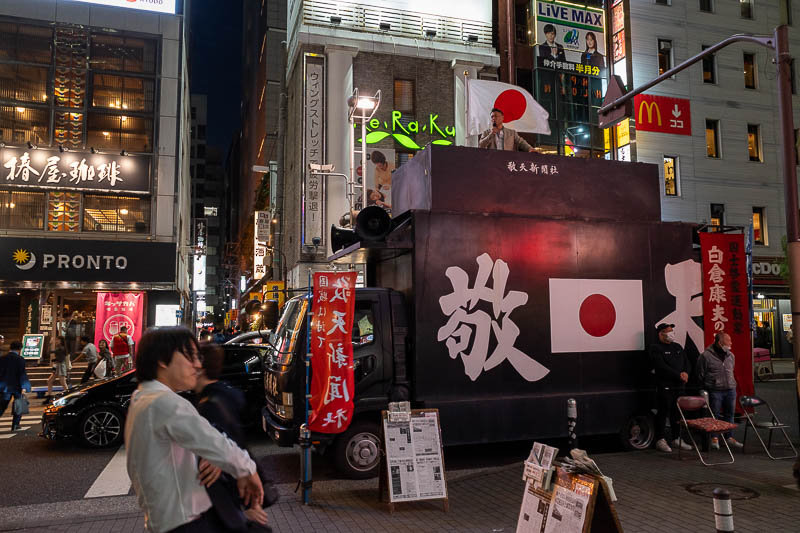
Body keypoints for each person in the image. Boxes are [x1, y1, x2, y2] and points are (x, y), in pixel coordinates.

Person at [124, 327, 264, 533]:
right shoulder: (165, 402)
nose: (198, 365)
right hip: (185, 524)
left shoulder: (142, 398)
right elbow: (215, 443)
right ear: (163, 360)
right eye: (190, 356)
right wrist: (248, 469)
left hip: (165, 521)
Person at [194, 343, 272, 532]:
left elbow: (224, 450)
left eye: (194, 360)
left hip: (232, 486)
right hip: (239, 480)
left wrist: (241, 510)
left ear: (201, 366)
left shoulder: (209, 405)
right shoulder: (224, 394)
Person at [648, 323, 692, 453]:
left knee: (677, 413)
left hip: (679, 386)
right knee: (663, 412)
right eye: (669, 331)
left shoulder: (677, 347)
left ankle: (677, 438)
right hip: (665, 386)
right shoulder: (655, 348)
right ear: (661, 334)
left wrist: (686, 373)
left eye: (672, 331)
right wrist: (678, 374)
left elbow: (687, 362)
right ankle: (660, 439)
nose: (672, 333)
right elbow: (661, 366)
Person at [697, 332, 743, 450]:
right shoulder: (706, 356)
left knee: (730, 415)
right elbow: (700, 374)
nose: (730, 343)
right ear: (720, 342)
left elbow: (731, 370)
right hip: (715, 390)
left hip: (730, 390)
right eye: (728, 341)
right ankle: (714, 438)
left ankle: (729, 437)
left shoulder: (730, 355)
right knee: (714, 415)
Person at [0, 341, 31, 431]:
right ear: (20, 349)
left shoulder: (3, 358)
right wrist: (25, 386)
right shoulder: (20, 359)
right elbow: (22, 374)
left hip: (4, 386)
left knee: (2, 405)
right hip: (17, 386)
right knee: (18, 405)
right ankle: (15, 425)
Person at [44, 337, 69, 403]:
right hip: (58, 366)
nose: (56, 341)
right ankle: (49, 396)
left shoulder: (61, 348)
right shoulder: (60, 348)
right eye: (56, 340)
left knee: (63, 382)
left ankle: (69, 396)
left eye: (58, 340)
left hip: (60, 366)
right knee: (50, 381)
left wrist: (50, 344)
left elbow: (49, 352)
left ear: (61, 341)